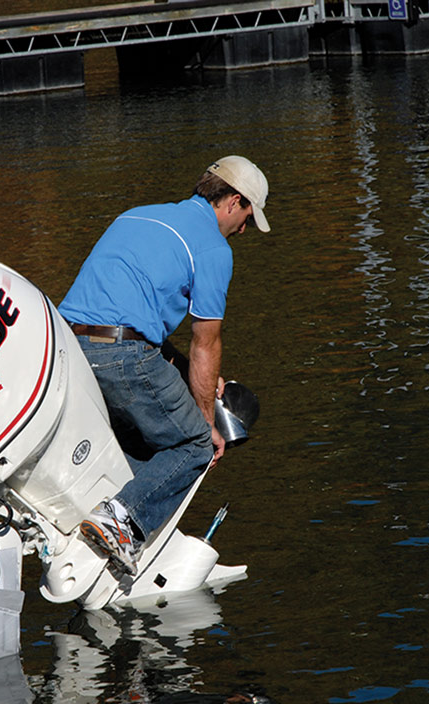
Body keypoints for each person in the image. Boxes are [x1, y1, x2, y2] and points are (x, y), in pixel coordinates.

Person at [58, 155, 270, 575]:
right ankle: (120, 521)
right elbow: (206, 342)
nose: (244, 229)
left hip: (68, 344)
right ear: (232, 201)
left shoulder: (137, 216)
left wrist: (185, 372)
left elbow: (129, 321)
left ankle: (107, 511)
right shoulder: (213, 248)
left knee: (142, 440)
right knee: (195, 444)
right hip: (122, 354)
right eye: (247, 216)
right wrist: (204, 418)